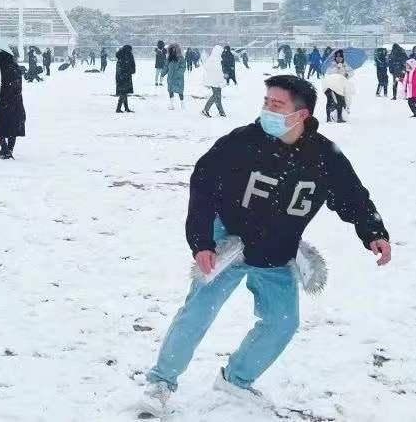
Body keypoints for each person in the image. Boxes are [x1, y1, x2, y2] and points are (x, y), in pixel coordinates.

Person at [140, 75, 391, 416]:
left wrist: (373, 231)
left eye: (277, 105)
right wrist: (201, 241)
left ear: (301, 115)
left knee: (281, 322)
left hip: (277, 249)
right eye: (265, 102)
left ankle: (236, 379)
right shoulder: (241, 142)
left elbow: (352, 196)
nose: (266, 110)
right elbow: (203, 184)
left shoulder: (324, 156)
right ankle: (161, 381)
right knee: (198, 312)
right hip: (228, 243)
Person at [0, 49, 26, 159]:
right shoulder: (15, 67)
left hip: (2, 101)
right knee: (13, 126)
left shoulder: (0, 68)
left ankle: (5, 149)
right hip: (16, 101)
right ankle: (8, 149)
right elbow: (17, 87)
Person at [323, 49, 352, 123]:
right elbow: (328, 74)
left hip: (340, 86)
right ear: (335, 57)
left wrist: (346, 74)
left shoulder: (345, 65)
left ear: (342, 57)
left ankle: (339, 117)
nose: (339, 58)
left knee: (341, 101)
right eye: (337, 56)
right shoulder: (332, 65)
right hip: (330, 85)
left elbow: (351, 73)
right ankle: (328, 117)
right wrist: (336, 68)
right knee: (330, 101)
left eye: (340, 57)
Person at [201, 45, 226, 117]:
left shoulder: (215, 59)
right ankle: (205, 110)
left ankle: (221, 112)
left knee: (218, 97)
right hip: (214, 82)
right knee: (215, 96)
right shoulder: (213, 60)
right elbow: (217, 71)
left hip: (217, 82)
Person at [115, 45, 136, 113]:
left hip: (124, 76)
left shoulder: (124, 56)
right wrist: (123, 75)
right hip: (123, 77)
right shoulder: (123, 57)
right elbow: (120, 68)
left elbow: (130, 65)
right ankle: (118, 108)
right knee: (123, 92)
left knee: (124, 92)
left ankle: (126, 108)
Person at [165, 44, 186, 110]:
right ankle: (171, 104)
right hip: (170, 77)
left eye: (174, 49)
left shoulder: (181, 58)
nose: (173, 50)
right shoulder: (169, 58)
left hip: (178, 78)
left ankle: (182, 104)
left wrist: (178, 73)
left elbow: (183, 67)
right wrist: (162, 73)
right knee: (170, 90)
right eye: (172, 49)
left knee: (180, 91)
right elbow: (166, 66)